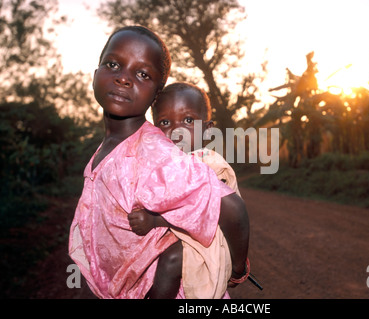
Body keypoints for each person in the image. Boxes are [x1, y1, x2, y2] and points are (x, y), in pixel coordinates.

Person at [68, 25, 249, 299]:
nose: (124, 79)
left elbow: (230, 206)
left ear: (155, 95)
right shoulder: (108, 149)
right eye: (114, 64)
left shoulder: (155, 155)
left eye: (142, 74)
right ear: (95, 75)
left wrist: (236, 268)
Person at [128, 82, 246, 298]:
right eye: (165, 122)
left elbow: (206, 211)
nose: (176, 130)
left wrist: (156, 221)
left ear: (208, 129)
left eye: (188, 120)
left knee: (172, 260)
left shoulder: (206, 163)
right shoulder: (167, 164)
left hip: (213, 241)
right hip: (191, 240)